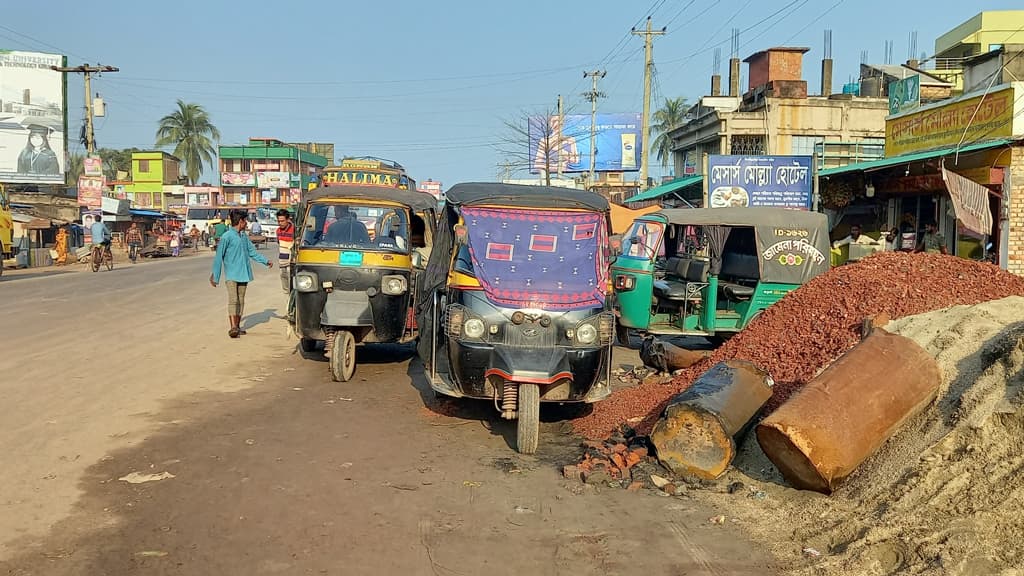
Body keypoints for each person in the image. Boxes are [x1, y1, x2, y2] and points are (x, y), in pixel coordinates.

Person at [210, 210, 272, 338]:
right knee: (233, 300)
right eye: (245, 221)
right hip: (231, 274)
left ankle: (237, 326)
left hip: (244, 273)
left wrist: (265, 261)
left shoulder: (244, 236)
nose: (247, 223)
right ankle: (233, 327)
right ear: (240, 221)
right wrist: (215, 275)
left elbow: (252, 252)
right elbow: (218, 257)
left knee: (241, 300)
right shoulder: (227, 237)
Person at [276, 209, 295, 295]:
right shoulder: (278, 231)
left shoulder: (294, 230)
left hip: (291, 263)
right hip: (282, 262)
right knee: (285, 287)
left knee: (292, 286)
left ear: (288, 220)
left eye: (282, 221)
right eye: (279, 221)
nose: (280, 223)